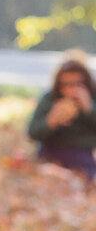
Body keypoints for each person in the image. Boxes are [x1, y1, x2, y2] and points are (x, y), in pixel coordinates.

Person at [28, 52, 96, 181]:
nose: (71, 90)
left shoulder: (93, 97)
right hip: (53, 153)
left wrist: (89, 109)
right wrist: (51, 121)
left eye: (78, 84)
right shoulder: (50, 99)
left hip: (85, 155)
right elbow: (32, 133)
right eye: (66, 84)